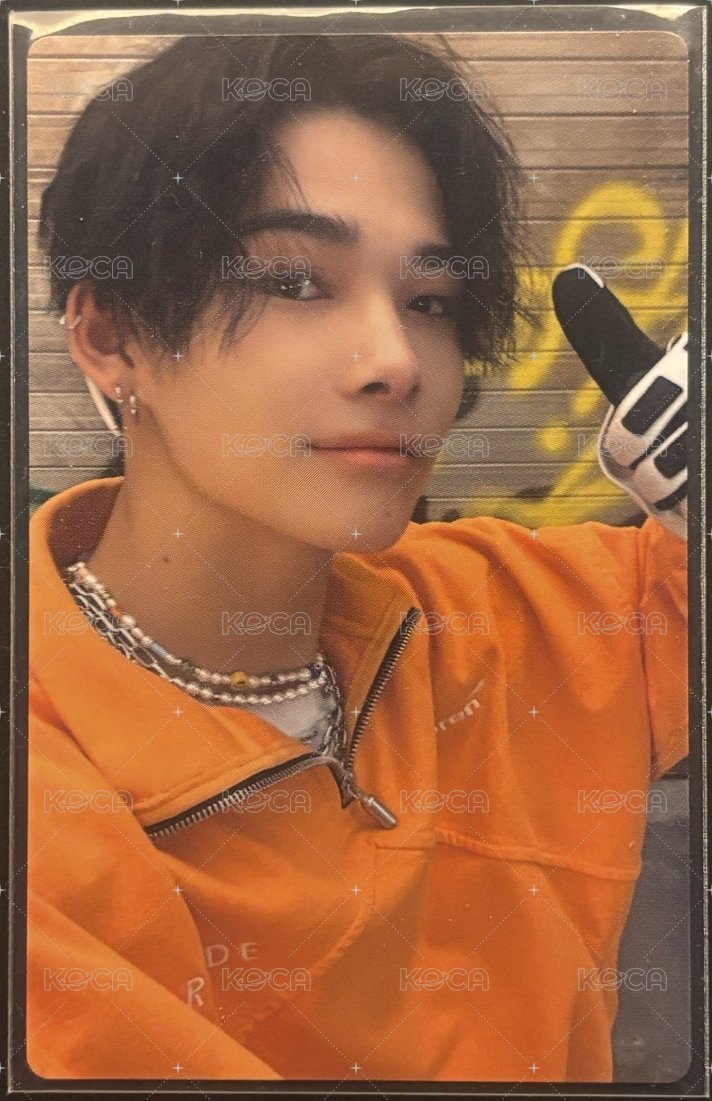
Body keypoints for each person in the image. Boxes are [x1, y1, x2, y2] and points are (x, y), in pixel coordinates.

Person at [26, 33, 688, 1082]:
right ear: (113, 336)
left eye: (430, 301)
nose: (394, 361)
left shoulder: (501, 612)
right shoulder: (44, 802)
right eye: (295, 282)